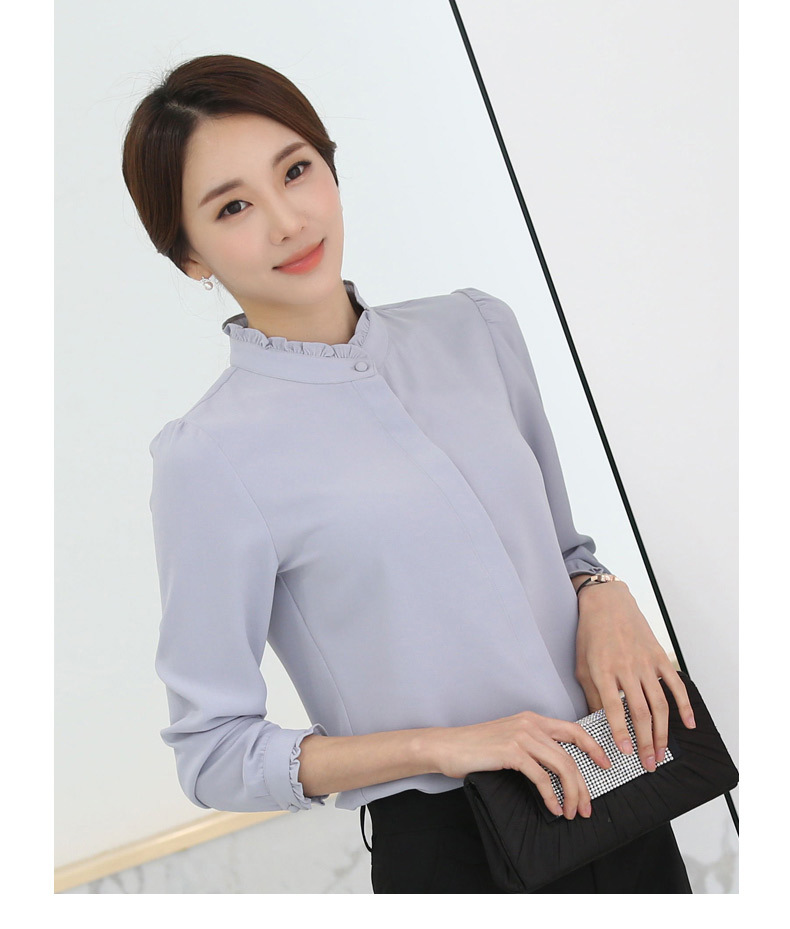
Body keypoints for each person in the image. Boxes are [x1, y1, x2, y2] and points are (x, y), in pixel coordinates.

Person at [122, 53, 694, 894]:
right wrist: (442, 745)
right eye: (234, 206)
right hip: (456, 849)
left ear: (330, 167)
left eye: (296, 170)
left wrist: (604, 592)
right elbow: (211, 750)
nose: (287, 220)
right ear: (190, 257)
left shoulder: (477, 331)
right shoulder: (207, 456)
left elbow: (564, 551)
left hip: (618, 784)